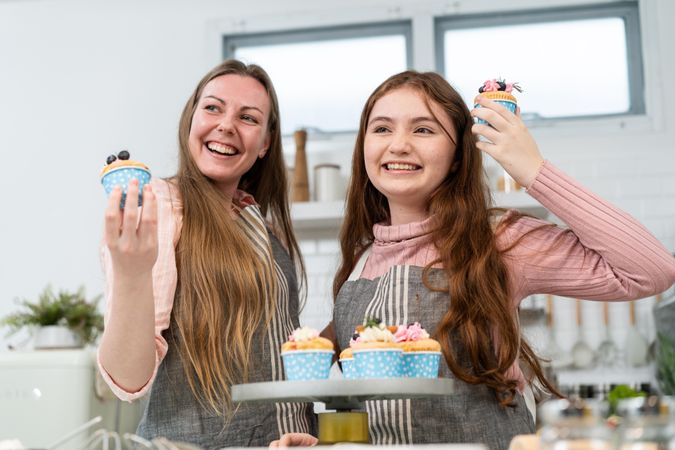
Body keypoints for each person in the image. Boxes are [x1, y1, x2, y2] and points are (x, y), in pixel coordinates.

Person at [272, 71, 675, 450]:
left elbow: (650, 270)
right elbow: (360, 403)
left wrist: (533, 171)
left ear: (458, 157)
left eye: (423, 129)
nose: (398, 144)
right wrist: (323, 441)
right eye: (381, 129)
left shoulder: (497, 239)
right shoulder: (360, 263)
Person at [97, 60, 315, 448]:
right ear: (191, 120)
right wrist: (130, 274)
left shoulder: (261, 225)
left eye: (248, 117)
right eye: (213, 108)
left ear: (265, 142)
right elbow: (128, 380)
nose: (226, 124)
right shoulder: (162, 205)